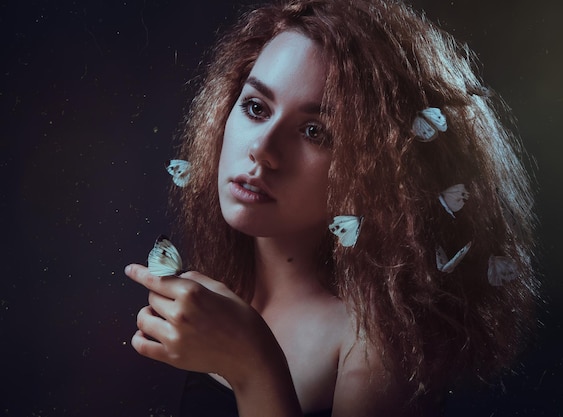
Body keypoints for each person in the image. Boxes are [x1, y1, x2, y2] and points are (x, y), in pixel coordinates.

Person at [124, 0, 540, 415]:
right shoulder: (223, 285)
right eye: (255, 107)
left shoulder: (375, 343)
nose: (262, 151)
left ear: (379, 167)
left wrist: (253, 366)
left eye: (314, 131)